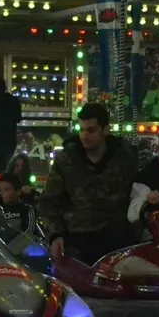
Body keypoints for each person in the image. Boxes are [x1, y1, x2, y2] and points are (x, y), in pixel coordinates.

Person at [39, 103, 138, 264]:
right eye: (82, 130)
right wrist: (55, 235)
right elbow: (48, 201)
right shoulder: (66, 160)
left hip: (117, 242)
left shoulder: (125, 158)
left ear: (105, 130)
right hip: (76, 241)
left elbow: (137, 193)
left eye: (91, 130)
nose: (85, 135)